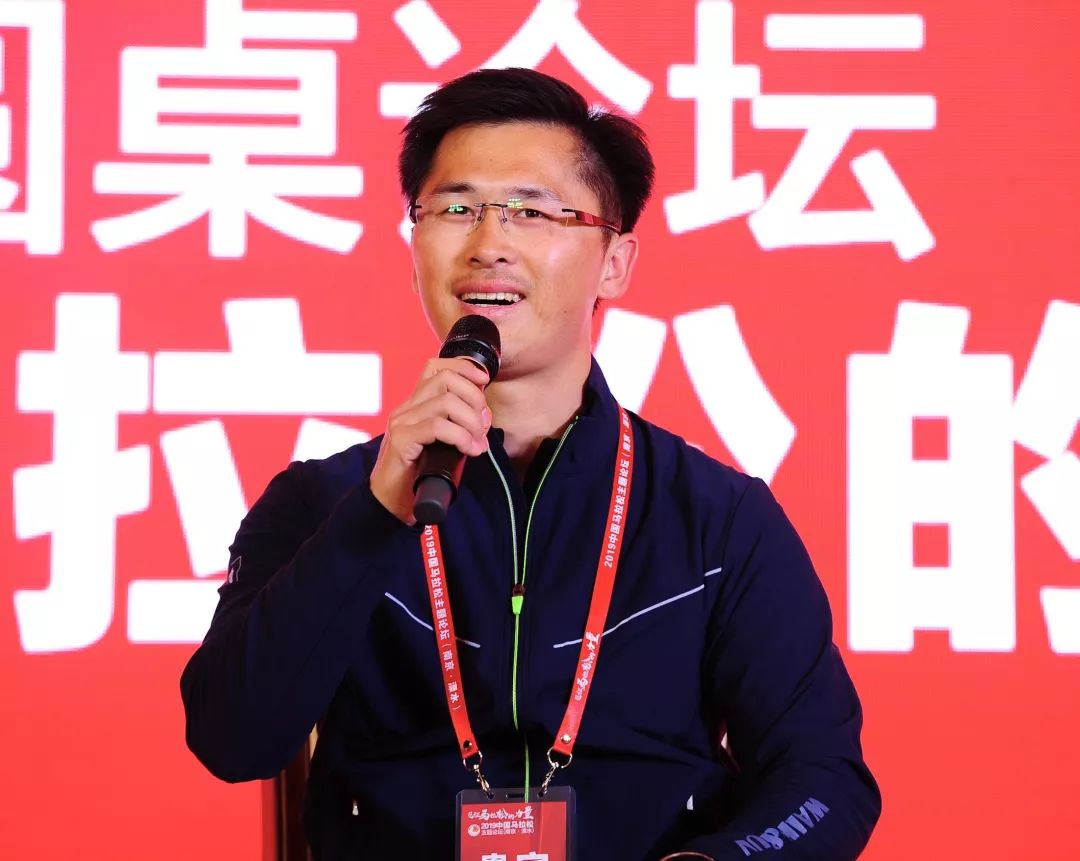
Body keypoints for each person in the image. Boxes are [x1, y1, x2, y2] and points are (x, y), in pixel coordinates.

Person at [181, 67, 881, 860]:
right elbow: (231, 738)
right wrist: (373, 518)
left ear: (614, 262)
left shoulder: (716, 519)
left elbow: (824, 778)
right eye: (456, 208)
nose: (488, 243)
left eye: (531, 210)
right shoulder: (321, 503)